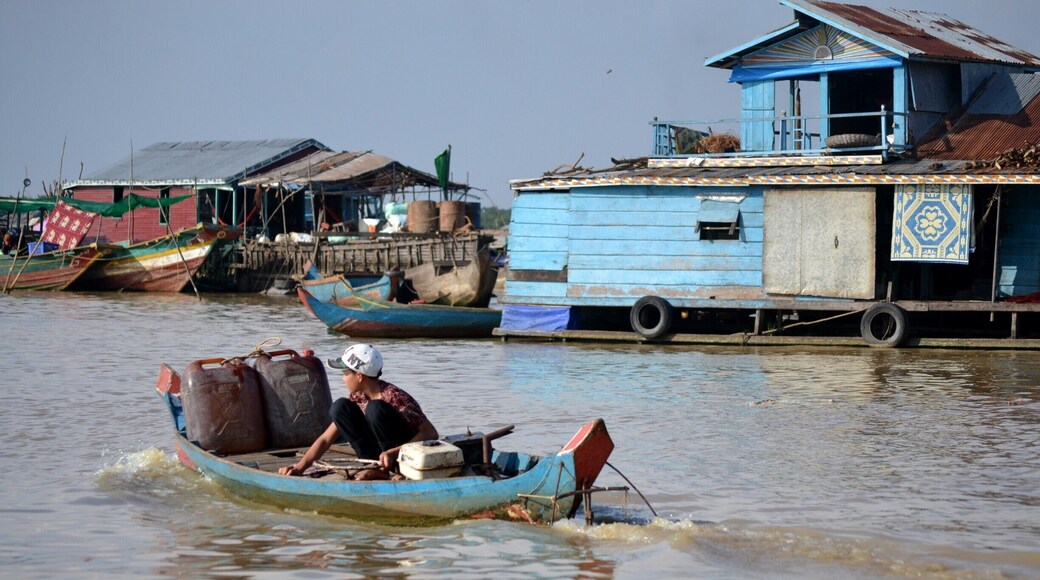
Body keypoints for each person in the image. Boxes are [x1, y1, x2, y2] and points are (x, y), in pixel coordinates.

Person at [278, 344, 438, 480]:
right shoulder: (358, 396)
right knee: (339, 407)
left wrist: (394, 453)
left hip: (404, 458)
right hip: (380, 458)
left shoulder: (395, 397)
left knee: (375, 409)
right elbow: (326, 439)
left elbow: (430, 433)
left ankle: (391, 470)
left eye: (346, 373)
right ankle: (373, 467)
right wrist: (300, 467)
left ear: (360, 376)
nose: (343, 379)